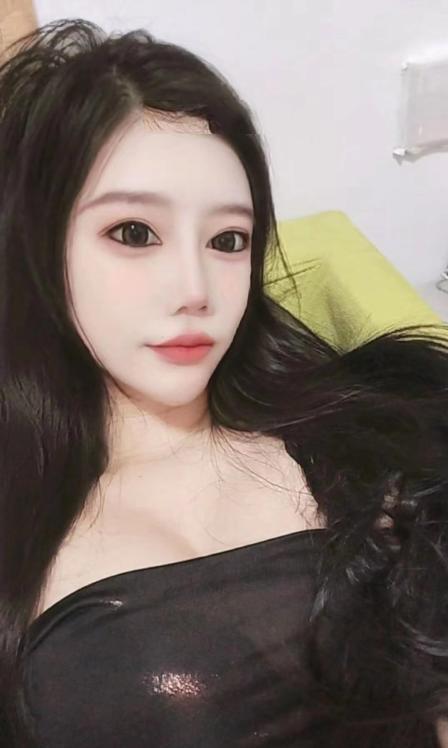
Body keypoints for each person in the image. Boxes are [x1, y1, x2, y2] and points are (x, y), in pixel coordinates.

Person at [0, 17, 448, 748]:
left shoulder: (375, 429)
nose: (195, 289)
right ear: (39, 248)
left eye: (228, 240)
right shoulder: (24, 516)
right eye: (134, 233)